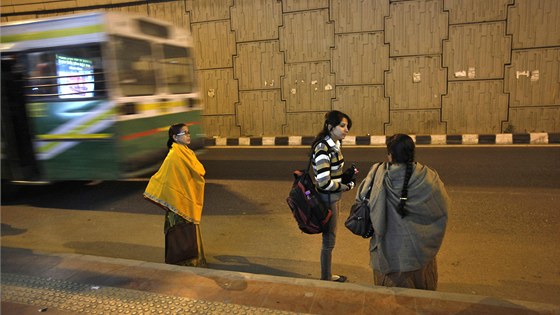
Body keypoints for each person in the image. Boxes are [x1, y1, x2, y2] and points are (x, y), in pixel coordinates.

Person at [355, 134, 449, 290]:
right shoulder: (428, 176)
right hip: (419, 256)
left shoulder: (377, 173)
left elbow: (361, 199)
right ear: (412, 153)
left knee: (391, 302)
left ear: (390, 155)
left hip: (388, 254)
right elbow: (441, 208)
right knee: (421, 301)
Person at [143, 123, 207, 267]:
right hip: (176, 204)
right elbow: (164, 178)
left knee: (189, 231)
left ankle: (192, 259)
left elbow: (198, 173)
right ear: (174, 137)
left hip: (187, 199)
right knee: (180, 233)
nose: (188, 135)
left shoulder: (187, 152)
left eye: (188, 132)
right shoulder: (173, 156)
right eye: (184, 133)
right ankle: (181, 262)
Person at [311, 110, 357, 282]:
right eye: (342, 126)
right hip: (327, 199)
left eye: (347, 127)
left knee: (330, 239)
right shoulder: (323, 147)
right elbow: (323, 182)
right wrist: (346, 186)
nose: (346, 130)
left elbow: (331, 173)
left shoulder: (335, 145)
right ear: (330, 127)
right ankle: (326, 278)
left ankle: (327, 275)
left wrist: (345, 176)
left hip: (333, 197)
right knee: (329, 240)